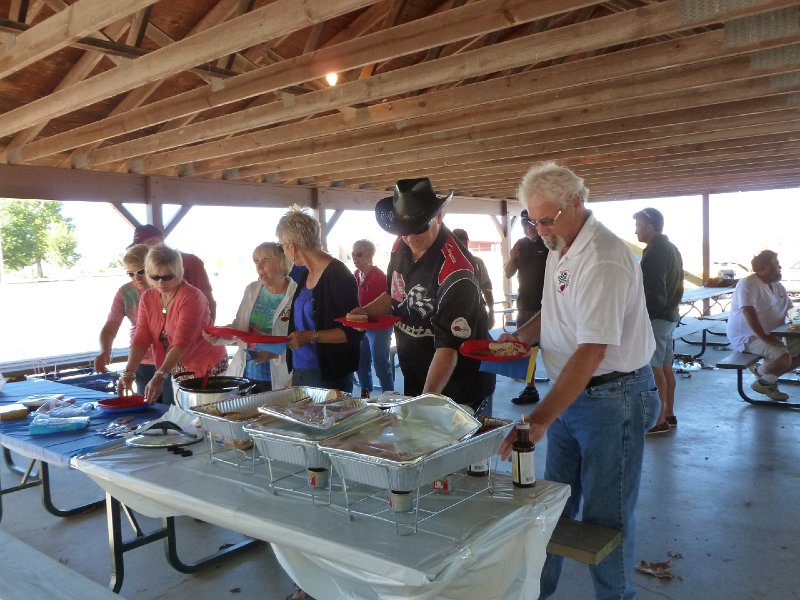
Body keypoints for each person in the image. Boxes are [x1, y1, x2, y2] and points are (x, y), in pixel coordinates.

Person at [498, 162, 659, 600]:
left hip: (615, 396)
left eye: (546, 219)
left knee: (606, 519)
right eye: (533, 219)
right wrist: (523, 338)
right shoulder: (560, 245)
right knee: (552, 503)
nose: (539, 229)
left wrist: (540, 417)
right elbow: (556, 311)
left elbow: (592, 350)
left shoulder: (604, 257)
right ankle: (536, 592)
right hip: (575, 392)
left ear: (577, 203)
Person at [360, 177, 495, 411]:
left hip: (458, 388)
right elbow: (393, 295)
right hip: (417, 377)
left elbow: (448, 349)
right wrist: (363, 313)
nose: (410, 237)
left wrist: (423, 403)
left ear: (440, 216)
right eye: (404, 230)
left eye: (420, 227)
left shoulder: (457, 271)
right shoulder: (400, 246)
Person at [117, 244, 228, 404]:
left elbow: (181, 343)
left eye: (167, 277)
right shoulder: (148, 297)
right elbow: (141, 336)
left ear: (179, 273)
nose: (161, 283)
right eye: (155, 277)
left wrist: (160, 375)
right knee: (183, 419)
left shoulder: (192, 297)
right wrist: (128, 372)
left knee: (203, 419)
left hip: (207, 367)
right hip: (177, 368)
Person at [277, 208, 362, 392]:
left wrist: (310, 336)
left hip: (329, 375)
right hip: (302, 371)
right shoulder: (305, 274)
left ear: (292, 247)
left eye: (281, 246)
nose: (283, 251)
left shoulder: (338, 275)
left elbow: (353, 333)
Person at [205, 242, 296, 392]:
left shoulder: (296, 295)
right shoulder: (252, 289)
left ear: (282, 262)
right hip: (246, 373)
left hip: (279, 376)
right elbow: (239, 327)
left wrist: (273, 354)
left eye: (266, 260)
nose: (259, 267)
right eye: (256, 261)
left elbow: (300, 341)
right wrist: (218, 336)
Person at [634, 207, 684, 433]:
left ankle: (659, 420)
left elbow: (655, 293)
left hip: (657, 318)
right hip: (669, 316)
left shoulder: (655, 252)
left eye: (638, 226)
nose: (635, 231)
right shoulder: (671, 248)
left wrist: (643, 318)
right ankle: (669, 413)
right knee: (665, 367)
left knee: (654, 368)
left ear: (650, 226)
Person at [726, 250, 800, 401]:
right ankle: (765, 377)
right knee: (785, 359)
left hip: (774, 334)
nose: (779, 268)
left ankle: (765, 378)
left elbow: (791, 311)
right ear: (762, 268)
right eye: (775, 266)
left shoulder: (777, 285)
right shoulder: (748, 283)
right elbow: (748, 311)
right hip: (749, 336)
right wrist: (765, 338)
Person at [94, 244, 156, 395]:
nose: (137, 278)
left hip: (171, 360)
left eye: (141, 272)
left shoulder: (165, 288)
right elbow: (110, 326)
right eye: (131, 274)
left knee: (172, 408)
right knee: (147, 407)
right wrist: (105, 352)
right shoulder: (125, 292)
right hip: (141, 359)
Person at [503, 209, 549, 404]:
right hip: (525, 306)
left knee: (554, 349)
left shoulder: (549, 244)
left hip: (547, 308)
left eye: (531, 224)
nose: (527, 228)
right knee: (526, 351)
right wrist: (513, 258)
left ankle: (564, 388)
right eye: (524, 224)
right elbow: (508, 273)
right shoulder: (520, 245)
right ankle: (530, 388)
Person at [130, 224, 216, 321]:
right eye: (142, 246)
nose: (148, 249)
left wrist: (208, 330)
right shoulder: (144, 268)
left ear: (161, 241)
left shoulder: (190, 261)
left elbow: (207, 298)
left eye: (151, 243)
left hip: (190, 324)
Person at [352, 239, 394, 397]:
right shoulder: (356, 275)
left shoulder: (380, 277)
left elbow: (389, 305)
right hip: (363, 326)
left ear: (370, 256)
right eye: (353, 254)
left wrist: (367, 312)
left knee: (380, 364)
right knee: (361, 363)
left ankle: (390, 399)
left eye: (359, 254)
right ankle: (365, 398)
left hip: (380, 327)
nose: (355, 258)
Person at [451, 228, 495, 328]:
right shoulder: (447, 264)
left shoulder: (478, 263)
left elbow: (487, 289)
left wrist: (491, 313)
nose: (463, 247)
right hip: (455, 317)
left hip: (478, 314)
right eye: (459, 244)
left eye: (465, 243)